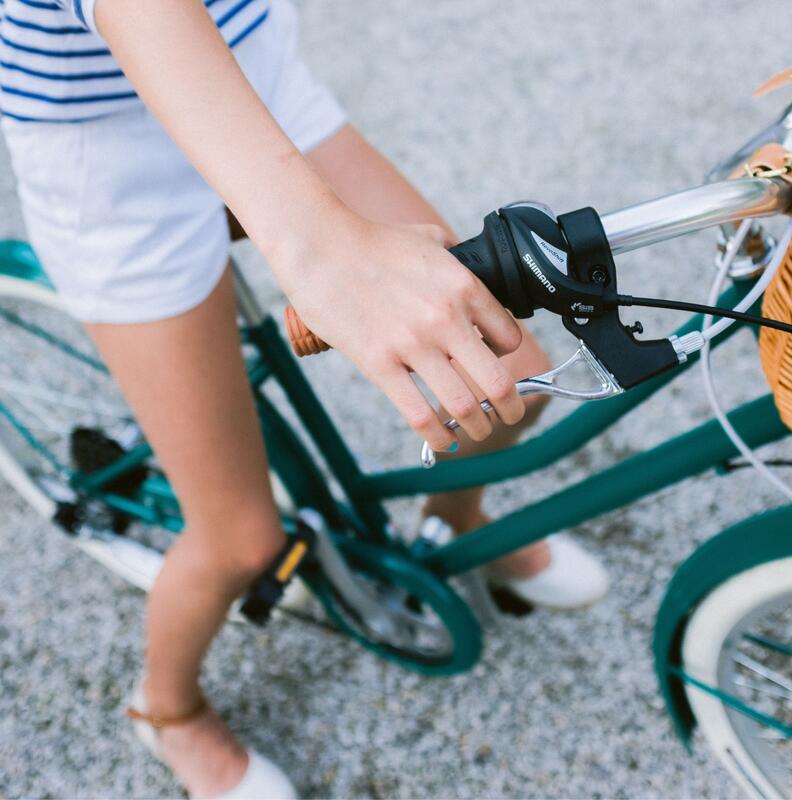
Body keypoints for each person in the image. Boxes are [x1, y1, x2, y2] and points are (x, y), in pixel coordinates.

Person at [0, 0, 608, 796]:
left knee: (512, 383)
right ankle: (167, 711)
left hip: (250, 70)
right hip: (106, 146)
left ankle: (454, 527)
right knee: (239, 542)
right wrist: (325, 253)